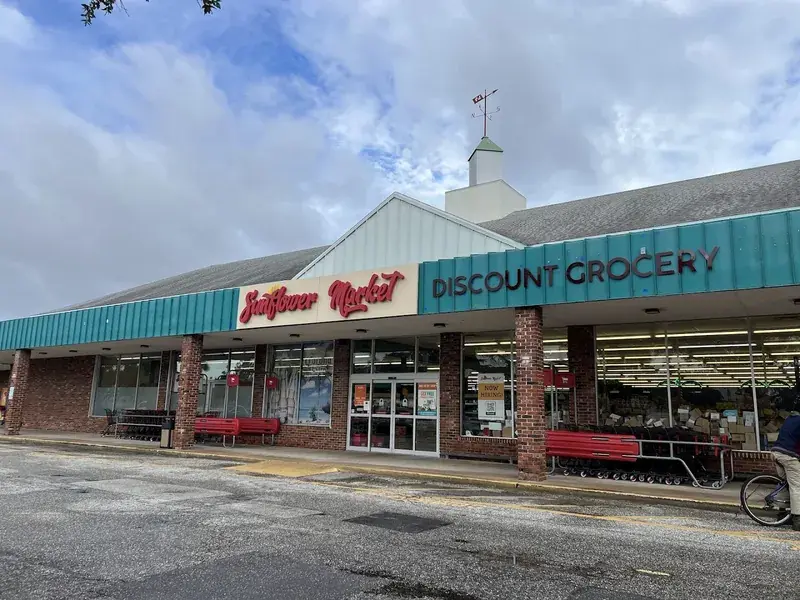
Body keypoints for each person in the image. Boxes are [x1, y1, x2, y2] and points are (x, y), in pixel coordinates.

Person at [772, 414, 800, 531]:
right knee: (797, 486)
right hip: (789, 456)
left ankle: (782, 514)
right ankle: (797, 520)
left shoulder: (790, 419)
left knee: (786, 483)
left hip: (776, 452)